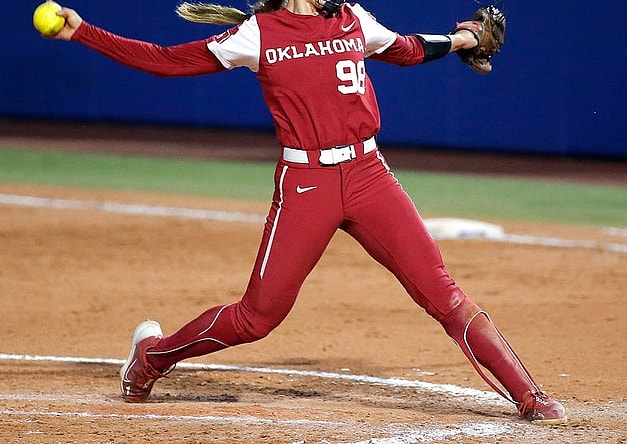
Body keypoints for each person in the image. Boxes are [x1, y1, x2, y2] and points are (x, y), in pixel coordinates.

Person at [47, 0, 567, 424]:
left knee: (444, 294)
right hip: (307, 185)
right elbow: (164, 60)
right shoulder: (259, 33)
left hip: (370, 177)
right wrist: (82, 32)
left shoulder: (351, 18)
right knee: (258, 317)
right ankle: (152, 358)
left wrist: (464, 40)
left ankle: (530, 396)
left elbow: (406, 50)